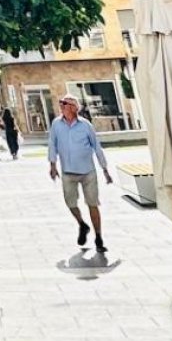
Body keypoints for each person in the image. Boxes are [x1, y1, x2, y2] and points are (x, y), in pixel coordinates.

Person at [47, 94, 113, 251]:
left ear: (73, 108)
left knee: (92, 204)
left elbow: (96, 147)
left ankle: (98, 238)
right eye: (61, 103)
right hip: (68, 172)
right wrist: (53, 165)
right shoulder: (56, 124)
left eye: (64, 103)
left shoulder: (85, 125)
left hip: (87, 172)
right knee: (70, 203)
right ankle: (82, 224)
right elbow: (52, 144)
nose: (61, 106)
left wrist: (105, 169)